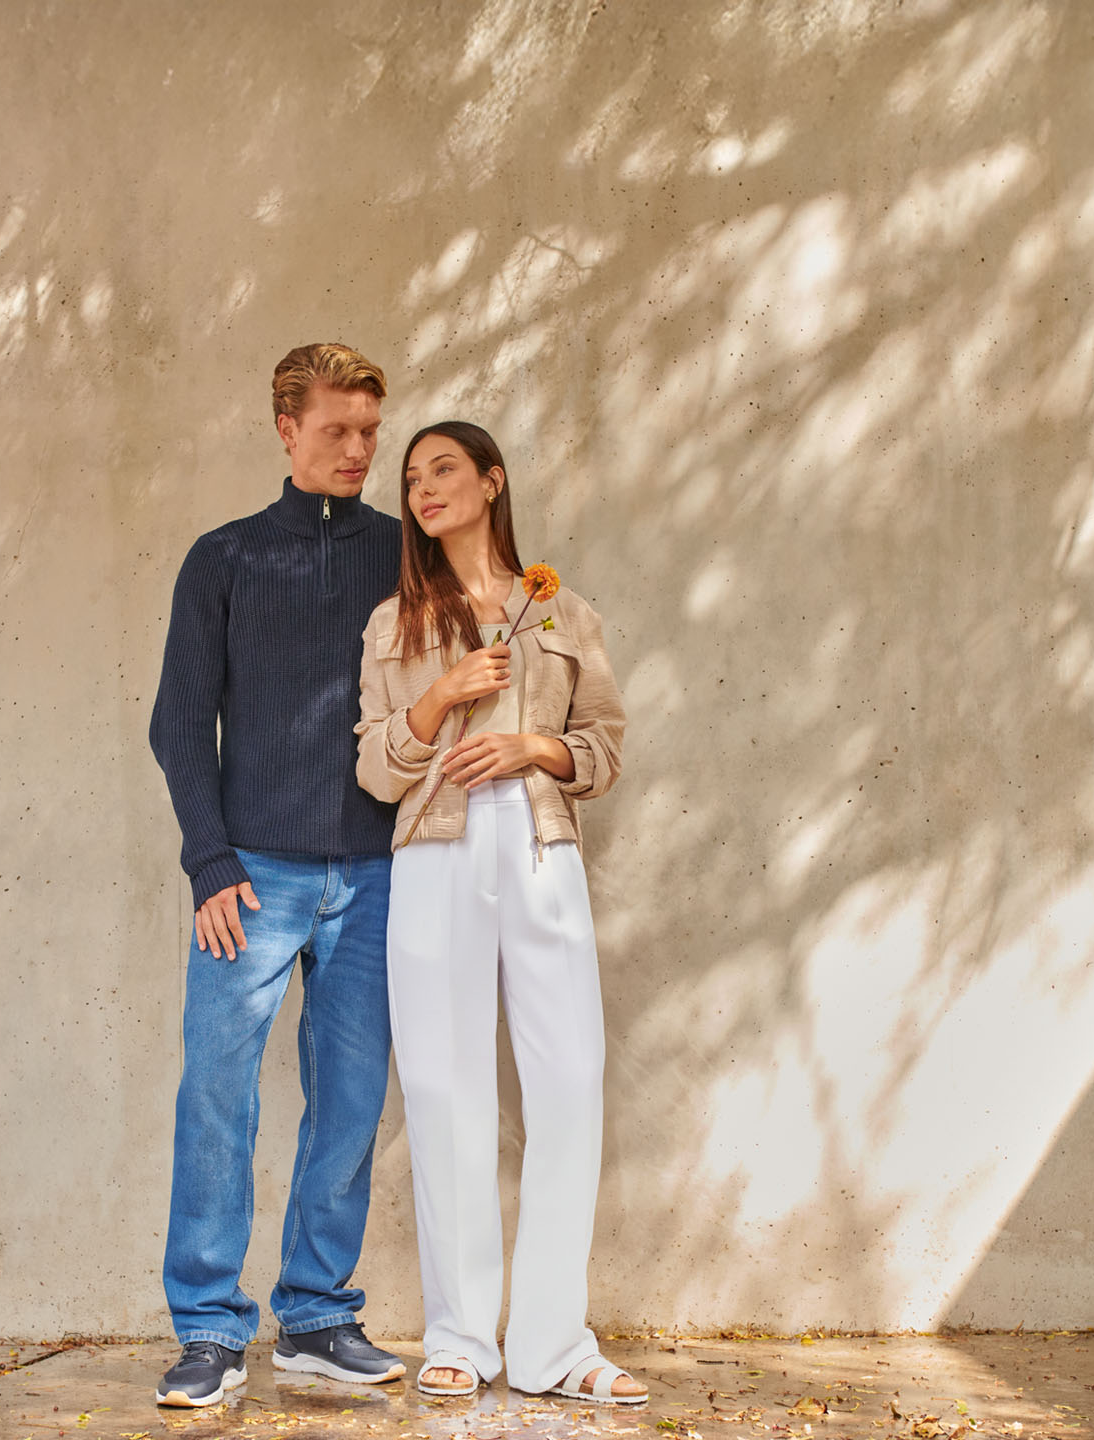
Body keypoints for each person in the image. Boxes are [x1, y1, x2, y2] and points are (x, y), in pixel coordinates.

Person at [354, 422, 642, 1404]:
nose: (424, 488)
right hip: (434, 851)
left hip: (540, 846)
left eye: (443, 469)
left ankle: (556, 1346)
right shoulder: (393, 623)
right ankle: (462, 1336)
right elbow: (375, 767)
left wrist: (532, 749)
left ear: (491, 481)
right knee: (444, 1090)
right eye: (411, 478)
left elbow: (602, 746)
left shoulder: (562, 613)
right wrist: (439, 698)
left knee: (570, 1082)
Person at [146, 343, 408, 1407]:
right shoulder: (225, 559)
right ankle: (209, 1328)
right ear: (287, 429)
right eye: (336, 430)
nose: (358, 449)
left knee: (349, 1099)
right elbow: (178, 724)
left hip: (378, 873)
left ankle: (316, 1315)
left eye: (370, 432)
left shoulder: (406, 555)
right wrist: (210, 862)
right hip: (250, 877)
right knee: (218, 1094)